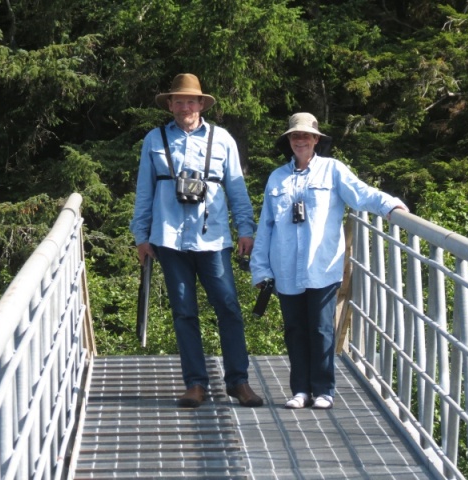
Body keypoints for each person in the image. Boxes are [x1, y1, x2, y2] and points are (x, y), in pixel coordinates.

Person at [250, 113, 408, 410]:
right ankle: (300, 390)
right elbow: (266, 225)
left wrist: (389, 205)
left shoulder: (333, 170)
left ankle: (323, 390)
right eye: (295, 136)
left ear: (316, 140)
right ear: (289, 141)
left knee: (322, 328)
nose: (300, 141)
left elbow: (361, 195)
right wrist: (260, 267)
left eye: (306, 136)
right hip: (285, 267)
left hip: (321, 265)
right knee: (295, 329)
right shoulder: (277, 178)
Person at [130, 73, 263, 409]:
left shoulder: (223, 140)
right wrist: (141, 236)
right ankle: (195, 383)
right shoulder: (154, 140)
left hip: (214, 239)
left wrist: (245, 229)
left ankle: (238, 381)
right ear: (170, 105)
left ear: (201, 104)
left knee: (229, 309)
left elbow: (236, 189)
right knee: (184, 312)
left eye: (191, 100)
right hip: (169, 240)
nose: (184, 106)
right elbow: (144, 192)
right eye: (178, 101)